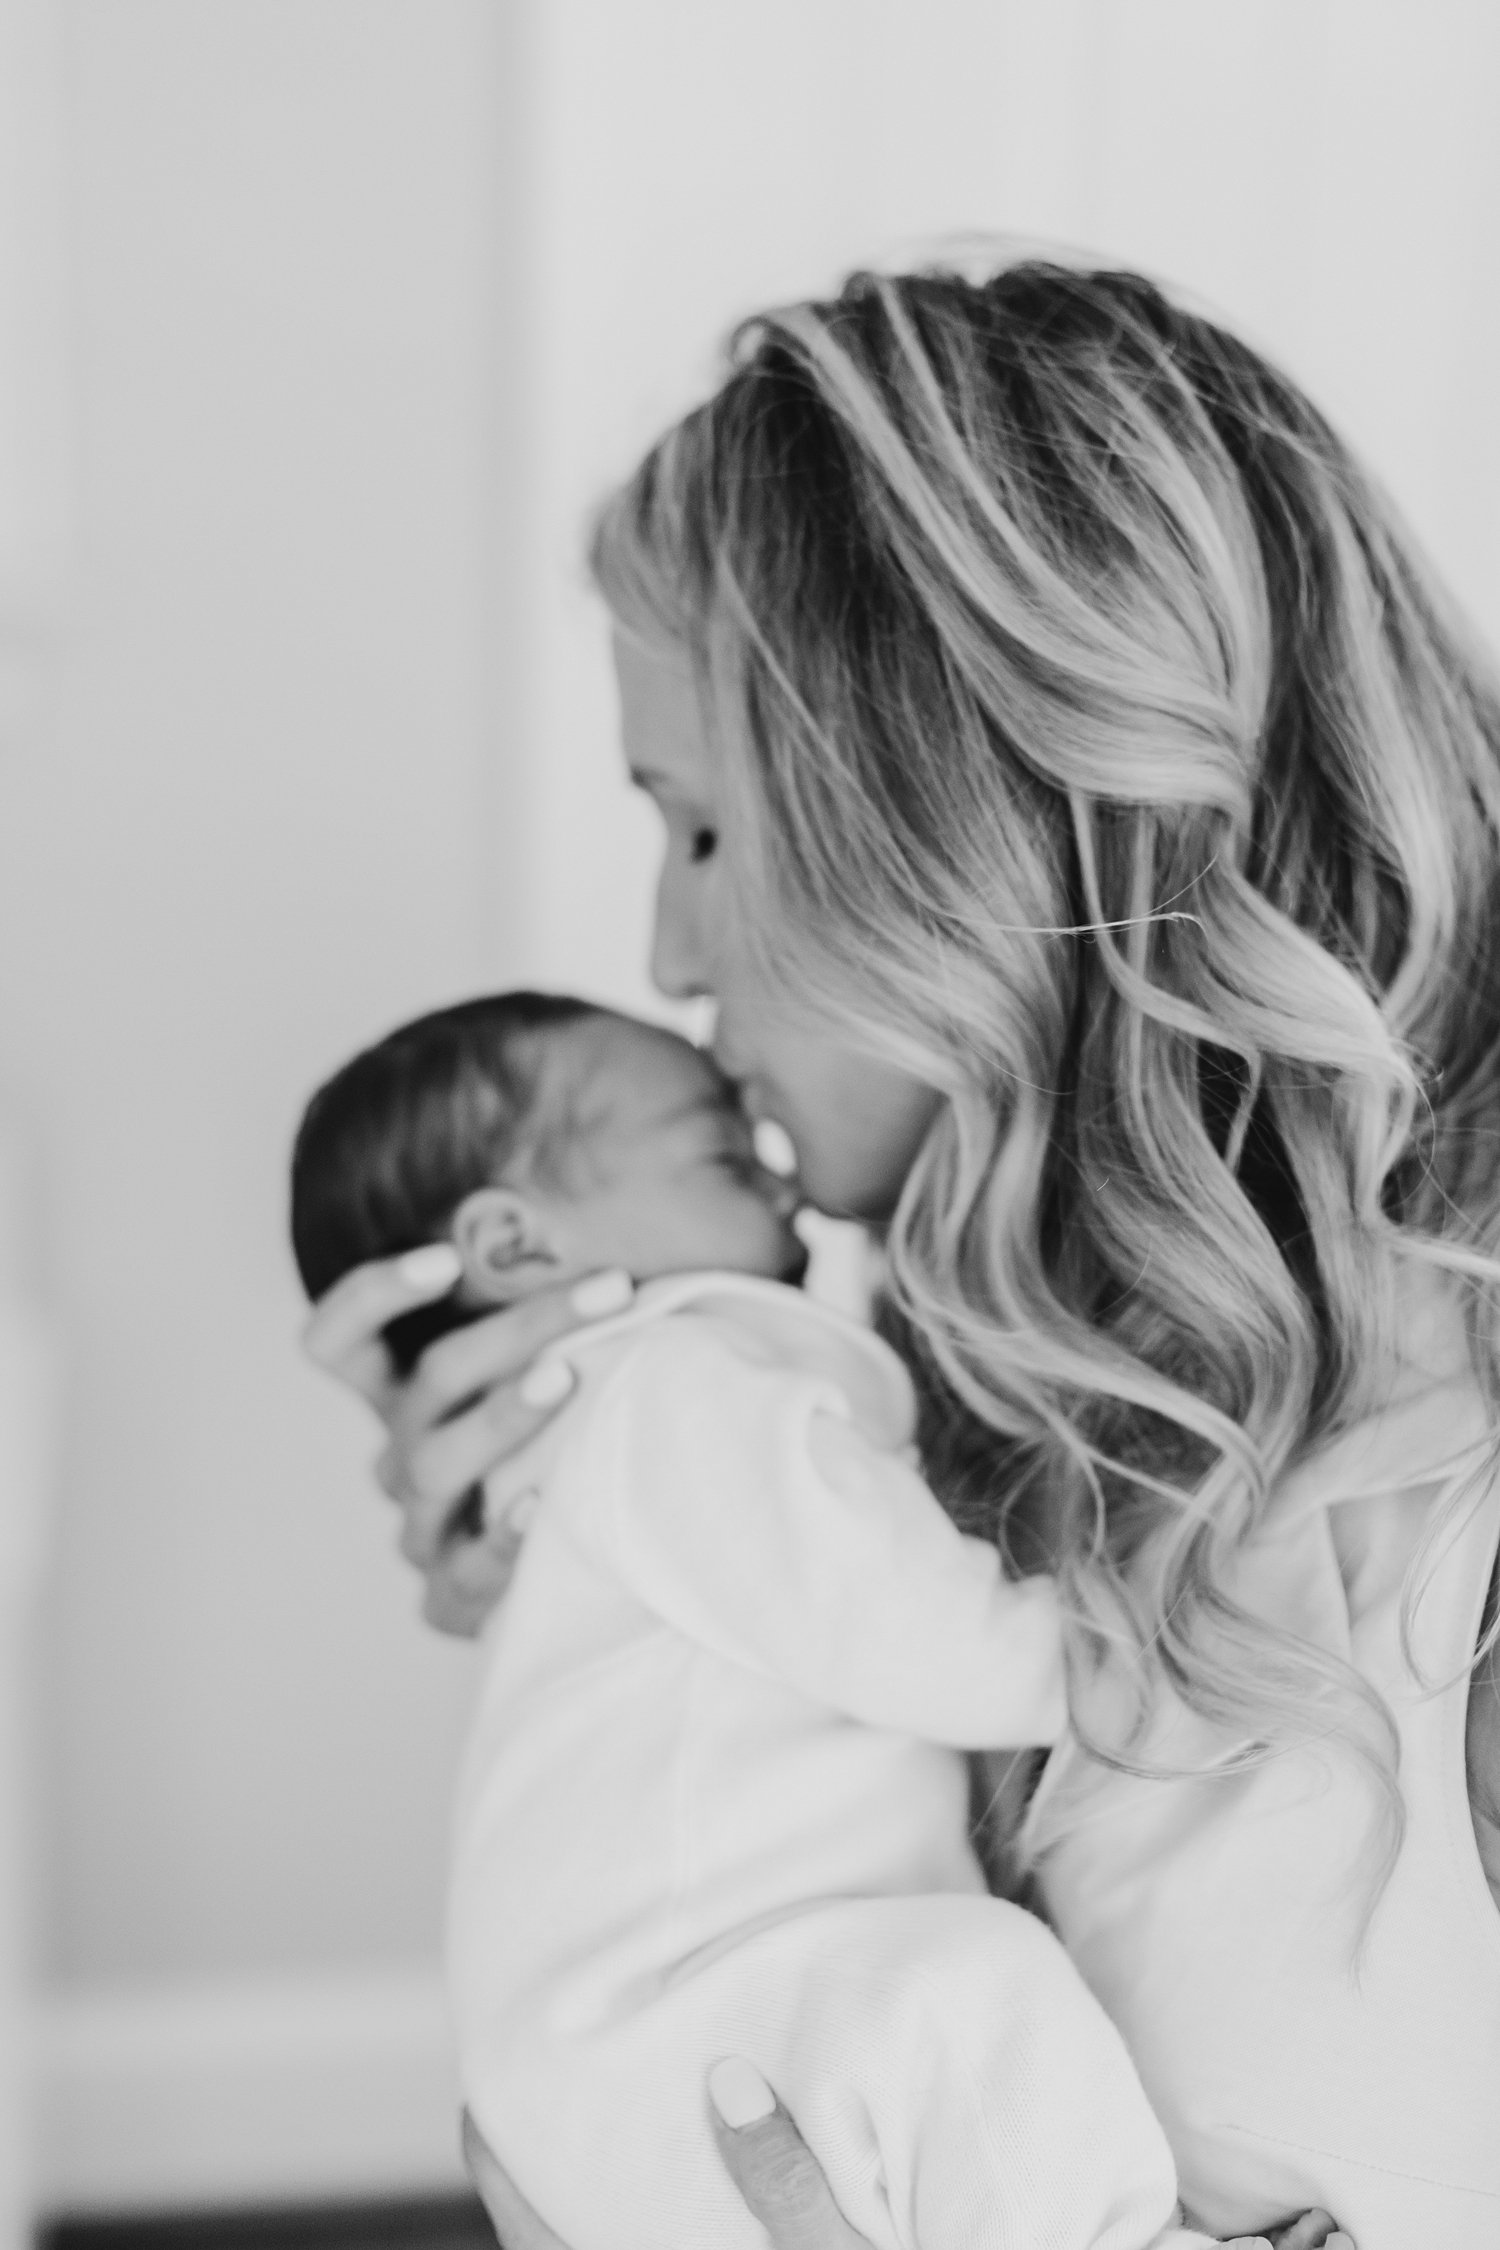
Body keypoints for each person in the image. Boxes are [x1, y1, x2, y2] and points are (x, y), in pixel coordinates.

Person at [303, 257, 1500, 2247]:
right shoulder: (977, 1391)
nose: (670, 961)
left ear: (953, 830)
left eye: (698, 833)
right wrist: (604, 1635)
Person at [291, 989, 1217, 2249]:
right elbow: (943, 1647)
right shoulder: (673, 1391)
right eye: (727, 1157)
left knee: (966, 2021)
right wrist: (1174, 1636)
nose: (783, 1192)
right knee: (969, 2000)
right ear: (514, 1245)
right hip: (703, 2035)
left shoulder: (604, 1447)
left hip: (655, 2074)